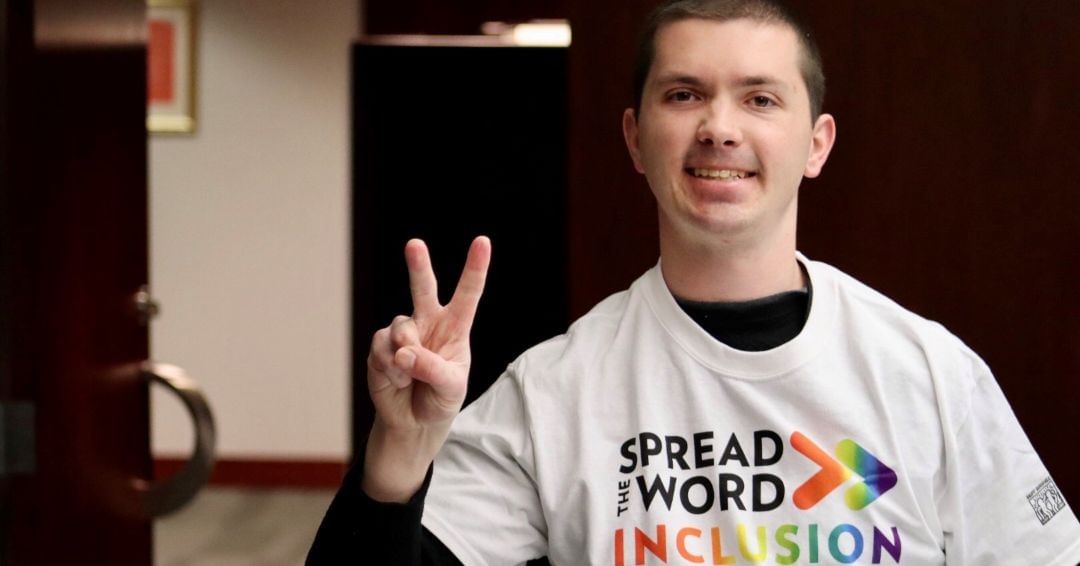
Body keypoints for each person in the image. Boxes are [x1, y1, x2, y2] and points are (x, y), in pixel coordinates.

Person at [309, 0, 1080, 564]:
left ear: (816, 144)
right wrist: (398, 455)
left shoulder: (930, 374)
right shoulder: (553, 393)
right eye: (684, 95)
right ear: (634, 138)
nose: (719, 127)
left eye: (760, 98)